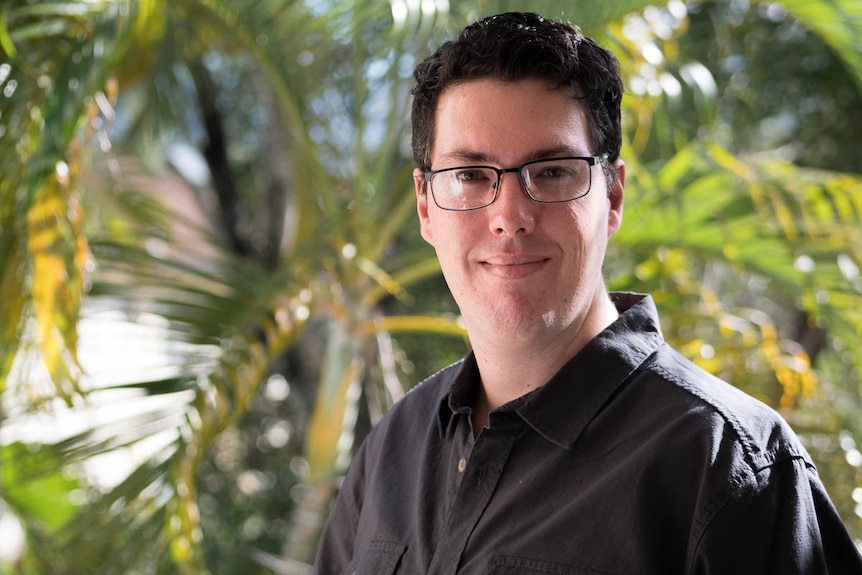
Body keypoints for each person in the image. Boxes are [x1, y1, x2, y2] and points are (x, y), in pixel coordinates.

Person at [313, 11, 862, 574]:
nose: (510, 217)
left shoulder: (725, 468)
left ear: (614, 196)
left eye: (551, 171)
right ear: (427, 207)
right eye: (471, 175)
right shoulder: (392, 451)